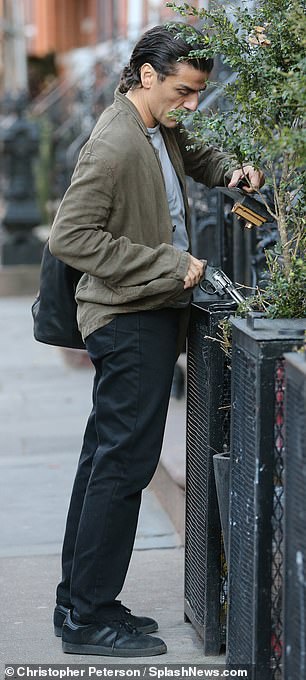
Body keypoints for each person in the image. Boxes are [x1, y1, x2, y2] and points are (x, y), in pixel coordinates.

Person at [49, 23, 264, 658]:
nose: (192, 103)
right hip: (128, 321)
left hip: (138, 316)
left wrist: (233, 171)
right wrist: (170, 267)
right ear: (147, 76)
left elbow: (190, 153)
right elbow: (70, 238)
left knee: (102, 465)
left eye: (199, 91)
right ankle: (88, 620)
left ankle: (81, 602)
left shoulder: (153, 124)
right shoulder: (115, 143)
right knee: (122, 469)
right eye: (183, 90)